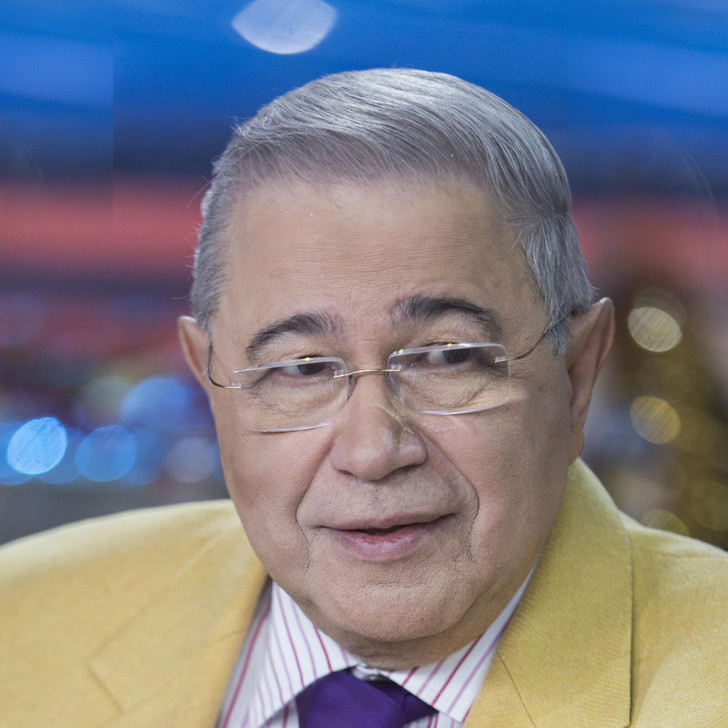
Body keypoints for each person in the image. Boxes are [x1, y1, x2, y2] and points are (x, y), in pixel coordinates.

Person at [1, 69, 726, 728]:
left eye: (447, 357)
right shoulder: (22, 621)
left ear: (576, 377)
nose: (373, 451)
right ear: (209, 378)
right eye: (301, 369)